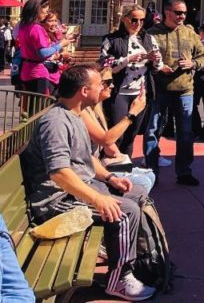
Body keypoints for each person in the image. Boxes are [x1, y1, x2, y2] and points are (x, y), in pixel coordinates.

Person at [20, 64, 156, 301]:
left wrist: (110, 177)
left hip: (75, 190)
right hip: (56, 200)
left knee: (138, 193)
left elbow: (86, 159)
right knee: (125, 212)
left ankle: (141, 259)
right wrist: (96, 198)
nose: (104, 88)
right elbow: (59, 173)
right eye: (99, 85)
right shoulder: (56, 123)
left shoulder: (74, 115)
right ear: (84, 91)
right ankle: (120, 279)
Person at [144, 0, 204, 186]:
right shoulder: (152, 34)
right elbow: (143, 61)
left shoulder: (190, 33)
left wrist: (192, 64)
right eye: (178, 12)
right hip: (159, 89)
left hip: (184, 89)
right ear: (167, 12)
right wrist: (156, 66)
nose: (182, 16)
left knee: (185, 133)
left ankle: (184, 172)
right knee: (153, 131)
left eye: (185, 13)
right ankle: (152, 173)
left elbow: (203, 57)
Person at [81, 68, 156, 195]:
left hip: (100, 165)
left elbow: (109, 146)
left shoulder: (96, 108)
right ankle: (126, 208)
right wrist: (132, 114)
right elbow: (106, 139)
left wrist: (119, 156)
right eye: (107, 82)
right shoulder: (83, 111)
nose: (112, 85)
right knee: (144, 181)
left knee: (149, 175)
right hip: (90, 171)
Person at [100, 5, 160, 156]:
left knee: (131, 136)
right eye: (134, 20)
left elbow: (157, 67)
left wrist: (155, 59)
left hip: (140, 92)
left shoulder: (148, 38)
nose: (138, 24)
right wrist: (129, 59)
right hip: (119, 91)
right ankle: (110, 168)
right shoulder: (111, 39)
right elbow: (106, 65)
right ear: (125, 19)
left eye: (142, 20)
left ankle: (127, 168)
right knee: (117, 134)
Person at [18, 0, 73, 96]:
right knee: (40, 106)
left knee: (31, 106)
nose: (46, 13)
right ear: (37, 10)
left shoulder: (23, 26)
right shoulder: (36, 28)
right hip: (38, 72)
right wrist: (60, 44)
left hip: (26, 70)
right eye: (45, 11)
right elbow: (42, 53)